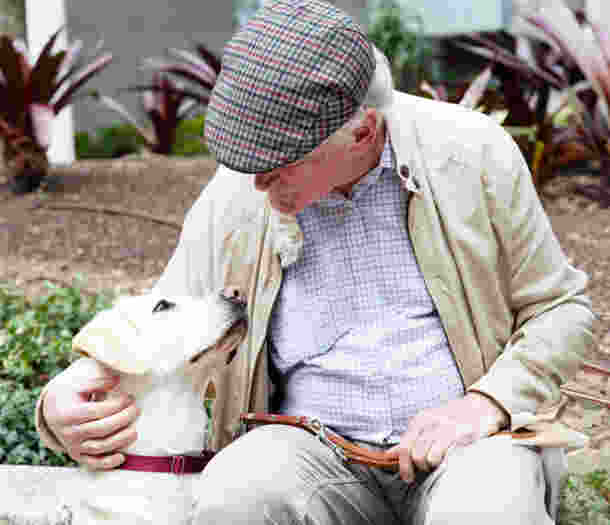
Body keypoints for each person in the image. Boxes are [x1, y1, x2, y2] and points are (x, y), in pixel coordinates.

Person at [35, 1, 595, 523]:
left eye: (280, 163)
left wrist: (486, 404)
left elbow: (562, 309)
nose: (255, 180)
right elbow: (165, 319)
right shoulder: (239, 193)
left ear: (363, 132)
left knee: (490, 509)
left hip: (469, 446)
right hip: (312, 448)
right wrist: (69, 393)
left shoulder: (472, 154)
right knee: (235, 495)